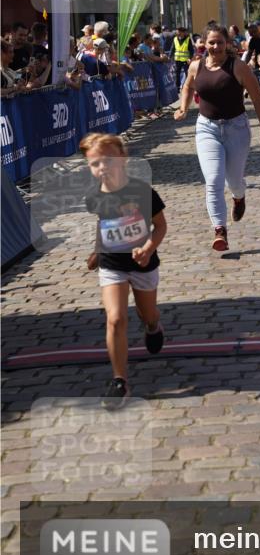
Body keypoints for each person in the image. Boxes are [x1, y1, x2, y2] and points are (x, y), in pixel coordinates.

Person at [80, 131, 166, 407]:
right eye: (95, 163)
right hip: (112, 265)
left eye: (107, 160)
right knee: (115, 318)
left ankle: (153, 326)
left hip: (143, 264)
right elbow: (104, 224)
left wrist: (149, 248)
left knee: (147, 314)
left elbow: (160, 225)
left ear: (123, 159)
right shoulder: (94, 196)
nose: (102, 167)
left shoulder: (142, 191)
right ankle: (120, 382)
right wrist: (96, 250)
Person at [174, 24, 260, 253]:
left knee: (234, 180)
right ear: (204, 44)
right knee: (213, 181)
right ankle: (220, 230)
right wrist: (183, 108)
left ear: (227, 44)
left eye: (220, 42)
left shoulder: (239, 67)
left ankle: (239, 197)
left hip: (236, 128)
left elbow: (257, 99)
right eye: (211, 42)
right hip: (207, 129)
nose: (215, 47)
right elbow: (187, 86)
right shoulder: (196, 66)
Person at [168, 25, 195, 91]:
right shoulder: (175, 39)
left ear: (183, 32)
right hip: (177, 60)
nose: (178, 33)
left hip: (186, 60)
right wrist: (169, 56)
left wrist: (190, 58)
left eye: (179, 32)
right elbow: (172, 48)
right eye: (177, 32)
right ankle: (177, 87)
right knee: (177, 73)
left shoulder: (188, 40)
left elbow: (191, 50)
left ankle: (189, 86)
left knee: (187, 73)